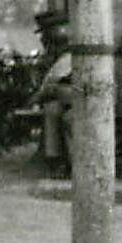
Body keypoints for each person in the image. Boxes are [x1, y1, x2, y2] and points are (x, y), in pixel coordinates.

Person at [28, 12, 73, 176]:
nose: (43, 39)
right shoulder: (58, 54)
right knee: (52, 109)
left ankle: (60, 162)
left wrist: (37, 97)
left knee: (54, 110)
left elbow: (53, 80)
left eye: (46, 34)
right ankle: (56, 160)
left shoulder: (69, 54)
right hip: (68, 99)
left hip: (75, 99)